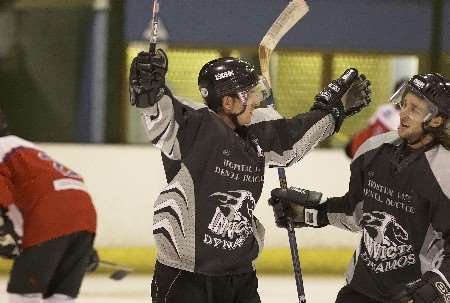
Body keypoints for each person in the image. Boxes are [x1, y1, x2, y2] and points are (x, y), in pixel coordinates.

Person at [128, 49, 371, 303]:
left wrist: (334, 111)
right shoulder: (195, 128)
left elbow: (292, 139)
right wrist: (151, 92)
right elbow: (162, 115)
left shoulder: (255, 130)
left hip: (239, 277)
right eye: (249, 92)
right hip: (185, 278)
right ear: (227, 102)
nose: (256, 99)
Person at [269, 73, 450, 302]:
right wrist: (314, 212)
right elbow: (356, 211)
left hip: (412, 296)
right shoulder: (374, 150)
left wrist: (436, 287)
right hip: (358, 292)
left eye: (414, 109)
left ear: (435, 120)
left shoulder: (445, 172)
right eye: (404, 104)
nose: (403, 112)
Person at [0, 109, 98, 303]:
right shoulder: (23, 146)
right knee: (59, 297)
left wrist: (6, 228)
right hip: (84, 216)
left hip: (49, 218)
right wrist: (80, 245)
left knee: (22, 295)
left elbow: (3, 196)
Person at [345, 79, 407, 158]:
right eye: (399, 92)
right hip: (368, 145)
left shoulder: (406, 118)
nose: (400, 96)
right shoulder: (383, 109)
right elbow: (369, 126)